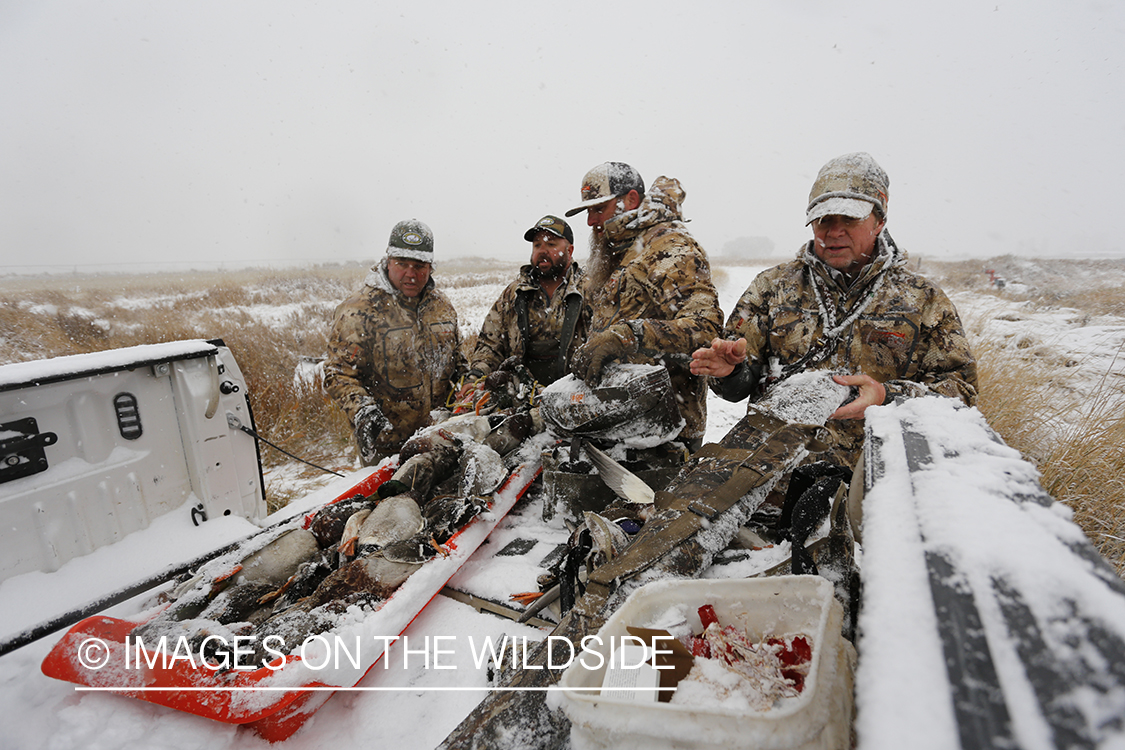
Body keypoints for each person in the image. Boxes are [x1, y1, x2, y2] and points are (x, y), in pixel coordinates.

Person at [691, 152, 977, 469]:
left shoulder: (923, 300)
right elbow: (736, 387)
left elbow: (961, 395)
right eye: (824, 219)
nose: (834, 231)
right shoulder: (771, 287)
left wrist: (887, 396)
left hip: (874, 489)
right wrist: (728, 371)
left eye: (850, 219)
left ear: (879, 220)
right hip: (770, 483)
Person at [566, 161, 723, 451]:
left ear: (631, 200)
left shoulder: (668, 246)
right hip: (614, 425)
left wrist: (627, 336)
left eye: (598, 209)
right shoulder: (616, 254)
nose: (590, 221)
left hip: (664, 436)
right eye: (588, 211)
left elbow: (706, 329)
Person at [324, 219, 465, 466]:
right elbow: (338, 374)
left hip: (440, 436)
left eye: (419, 265)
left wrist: (468, 388)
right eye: (402, 264)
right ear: (388, 262)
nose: (411, 273)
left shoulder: (441, 307)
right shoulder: (359, 310)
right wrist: (362, 411)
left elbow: (458, 362)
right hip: (387, 447)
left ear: (431, 267)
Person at [466, 215, 586, 387]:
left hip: (573, 394)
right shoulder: (515, 293)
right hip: (521, 394)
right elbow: (490, 344)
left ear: (570, 250)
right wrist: (476, 376)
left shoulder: (588, 290)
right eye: (537, 245)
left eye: (551, 244)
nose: (542, 251)